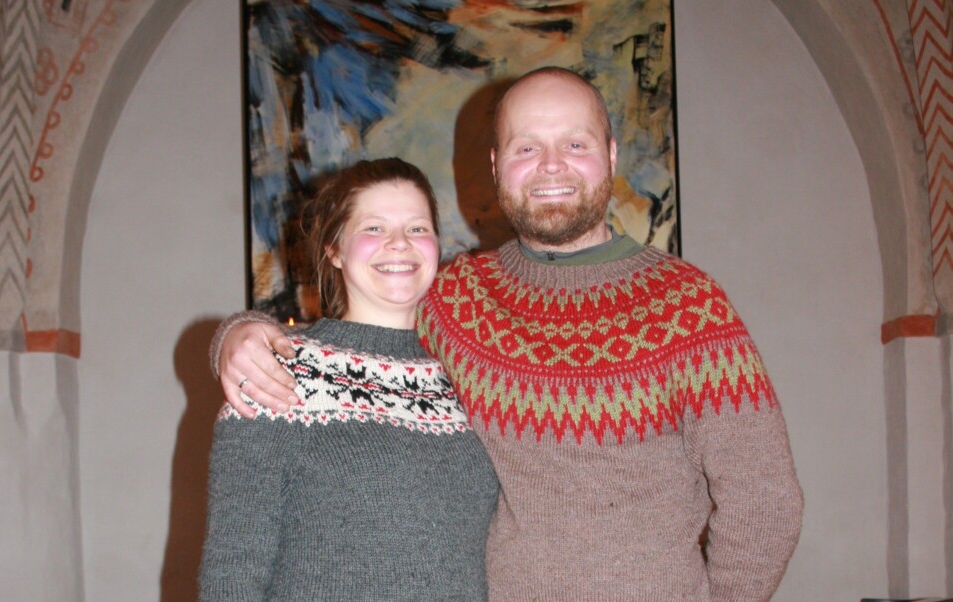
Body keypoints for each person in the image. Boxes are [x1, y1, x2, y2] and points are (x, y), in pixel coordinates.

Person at [211, 67, 803, 601]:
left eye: (575, 143)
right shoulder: (458, 296)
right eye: (527, 147)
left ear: (611, 155)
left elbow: (766, 502)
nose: (551, 165)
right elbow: (365, 323)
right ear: (497, 166)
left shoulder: (687, 305)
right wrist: (239, 336)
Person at [198, 158, 499, 601]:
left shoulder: (466, 377)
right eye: (374, 228)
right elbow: (232, 573)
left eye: (417, 228)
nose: (399, 243)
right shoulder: (277, 371)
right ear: (334, 250)